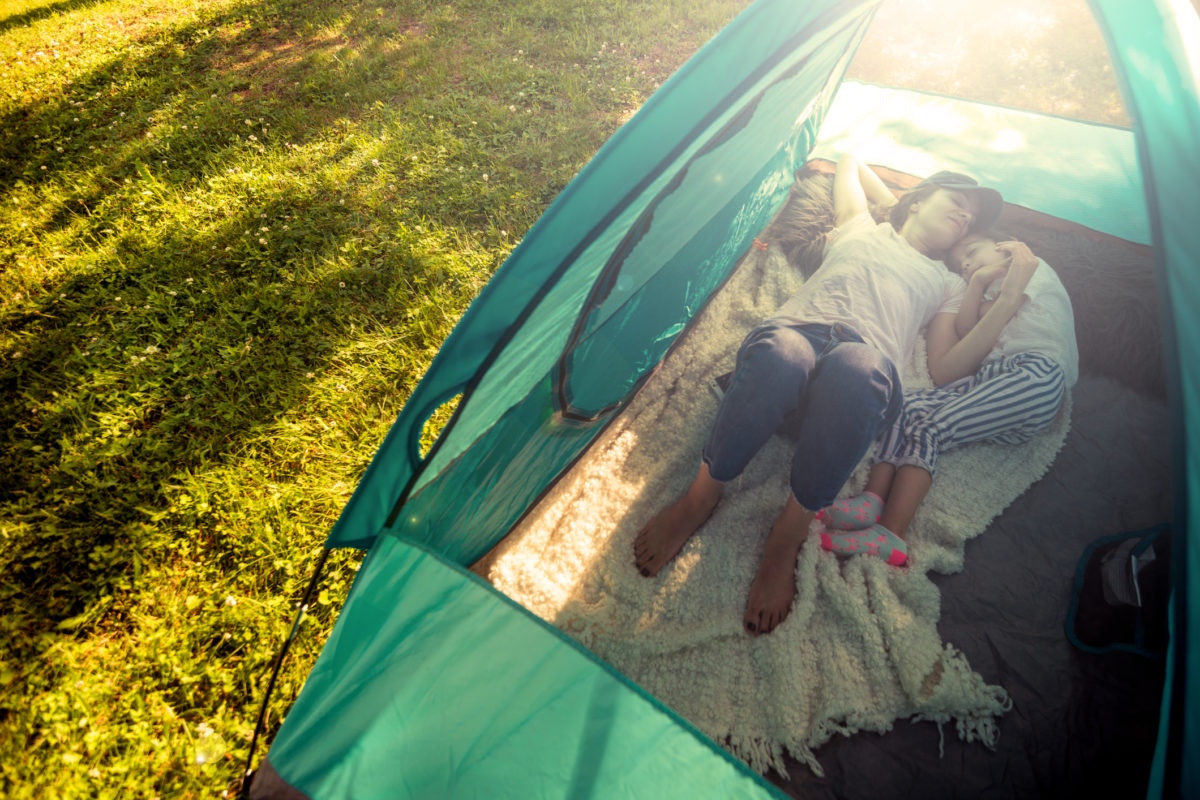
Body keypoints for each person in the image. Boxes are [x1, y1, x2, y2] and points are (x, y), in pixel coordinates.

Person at [633, 155, 1017, 636]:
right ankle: (700, 496)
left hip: (857, 384)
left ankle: (789, 533)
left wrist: (1001, 291)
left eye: (972, 219)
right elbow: (850, 159)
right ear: (918, 201)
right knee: (782, 354)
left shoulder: (948, 283)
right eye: (957, 201)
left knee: (861, 370)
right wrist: (895, 203)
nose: (964, 216)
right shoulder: (860, 226)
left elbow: (945, 367)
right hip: (794, 343)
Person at [817, 229, 1078, 566]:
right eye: (959, 265)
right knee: (904, 406)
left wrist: (986, 280)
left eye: (972, 251)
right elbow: (968, 330)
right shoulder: (987, 285)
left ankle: (892, 533)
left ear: (1004, 246)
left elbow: (998, 312)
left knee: (931, 428)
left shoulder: (1029, 266)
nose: (966, 264)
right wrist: (976, 282)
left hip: (1035, 375)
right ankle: (872, 500)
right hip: (994, 378)